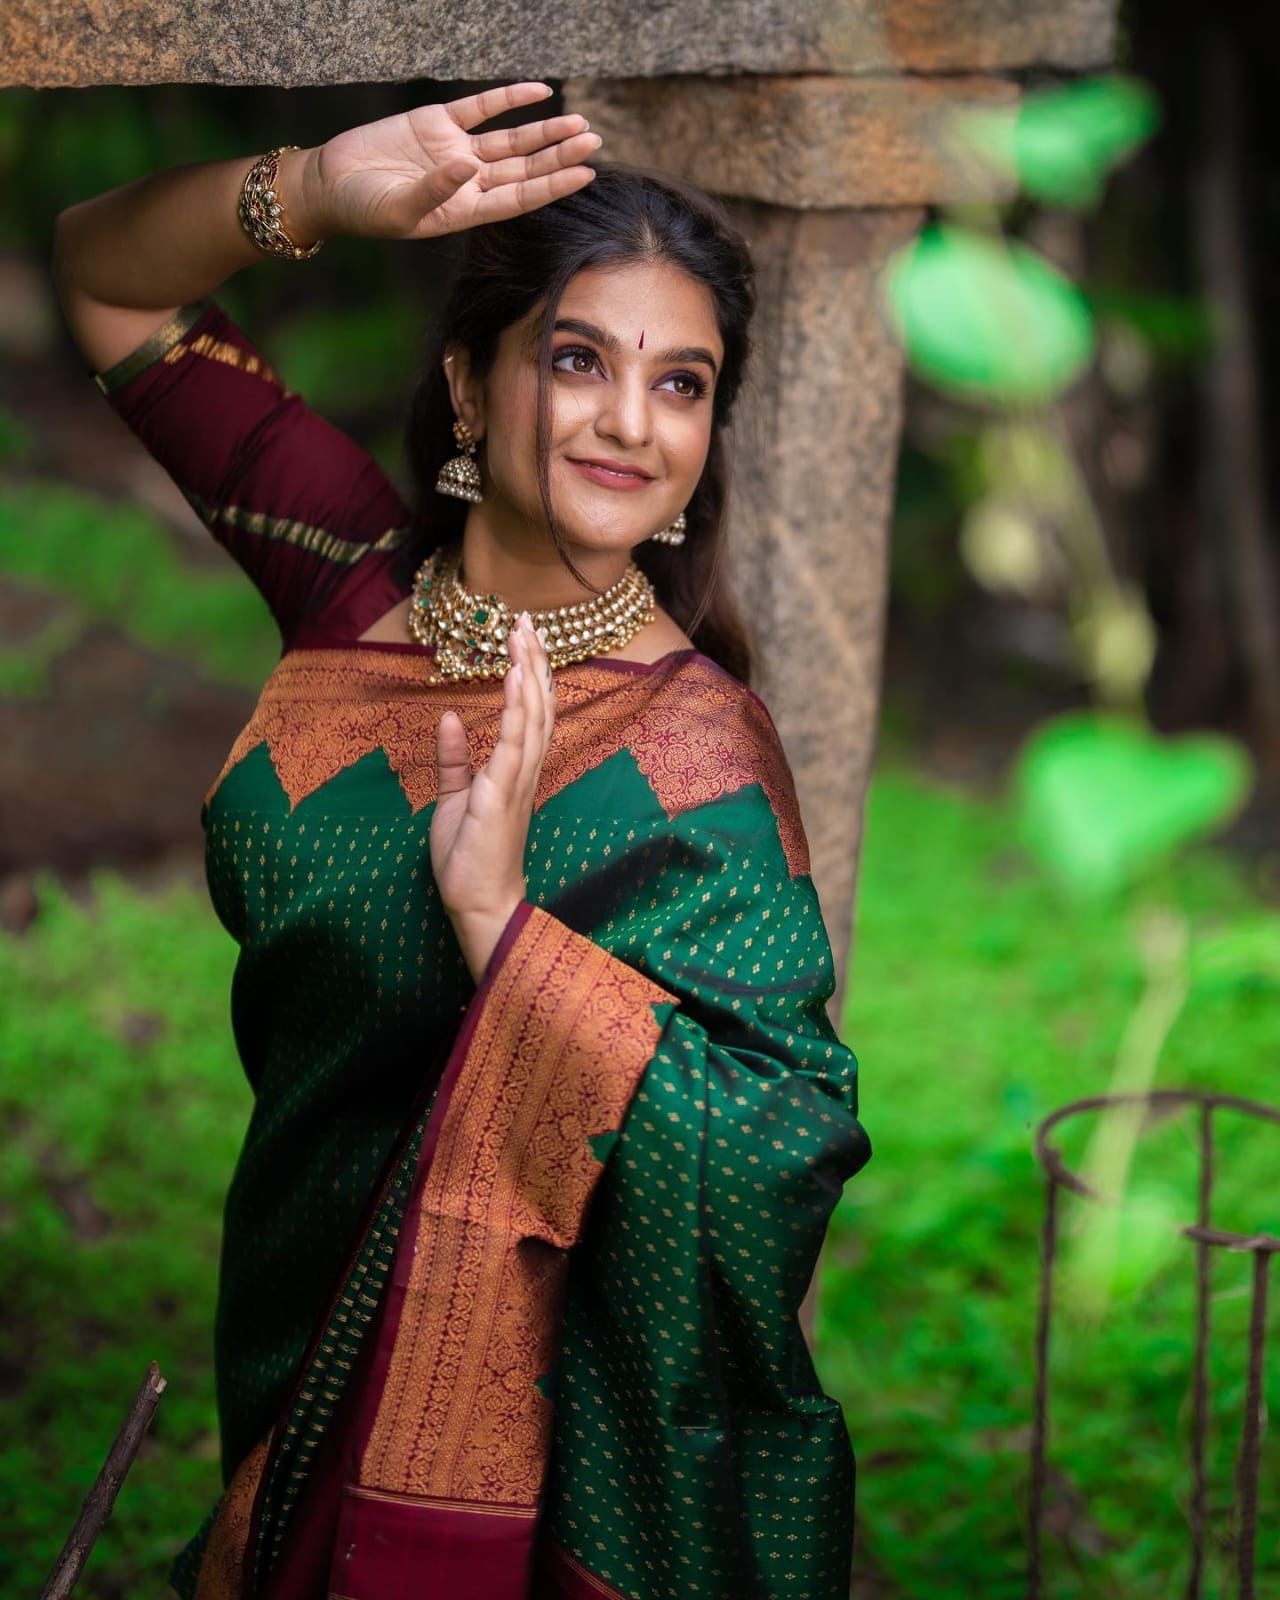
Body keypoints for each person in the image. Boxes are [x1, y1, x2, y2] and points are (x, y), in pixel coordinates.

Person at [51, 81, 873, 1600]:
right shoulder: (350, 579)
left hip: (528, 1489)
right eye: (578, 360)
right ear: (473, 381)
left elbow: (780, 1146)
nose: (631, 422)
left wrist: (506, 935)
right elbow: (101, 274)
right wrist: (312, 187)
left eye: (682, 385)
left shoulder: (698, 759)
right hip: (290, 1330)